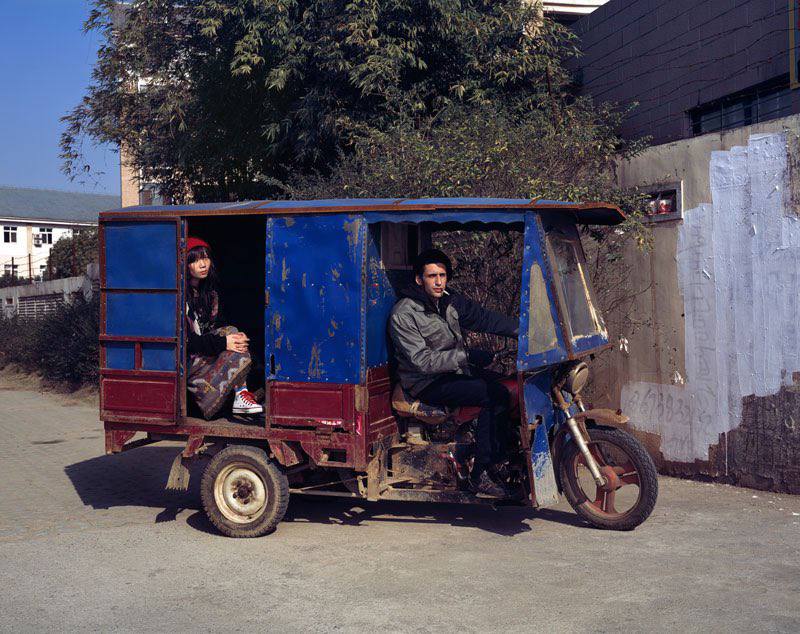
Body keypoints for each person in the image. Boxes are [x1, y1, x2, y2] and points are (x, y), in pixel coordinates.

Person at [388, 248, 518, 497]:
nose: (439, 282)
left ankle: (502, 456)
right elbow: (421, 361)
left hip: (454, 371)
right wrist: (466, 356)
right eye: (432, 276)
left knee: (509, 387)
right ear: (419, 280)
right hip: (426, 382)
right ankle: (482, 472)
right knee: (494, 394)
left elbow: (483, 318)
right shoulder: (404, 314)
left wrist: (522, 330)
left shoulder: (448, 301)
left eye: (443, 275)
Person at [185, 237, 262, 419]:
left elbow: (218, 327)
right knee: (231, 339)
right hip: (188, 360)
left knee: (233, 332)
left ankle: (241, 395)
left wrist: (231, 338)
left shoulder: (209, 294)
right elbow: (188, 342)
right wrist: (224, 342)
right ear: (185, 265)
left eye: (205, 258)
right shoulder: (181, 296)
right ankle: (235, 396)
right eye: (195, 260)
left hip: (203, 351)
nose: (203, 264)